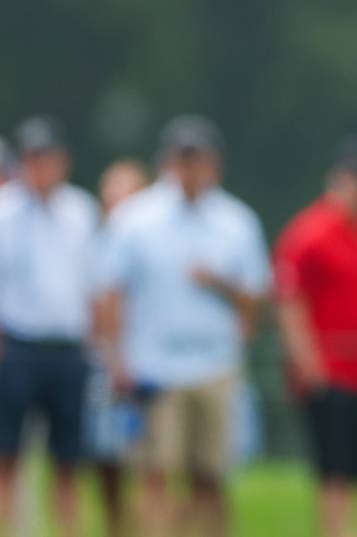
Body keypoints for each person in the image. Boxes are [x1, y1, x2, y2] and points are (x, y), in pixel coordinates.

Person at [95, 115, 271, 537]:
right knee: (155, 473)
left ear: (215, 165)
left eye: (199, 160)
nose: (191, 170)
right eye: (183, 160)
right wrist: (117, 360)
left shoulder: (237, 221)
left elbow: (256, 296)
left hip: (215, 364)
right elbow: (110, 293)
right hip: (154, 366)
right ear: (167, 163)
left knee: (210, 477)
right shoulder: (135, 219)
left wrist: (219, 285)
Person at [272, 137, 357, 537]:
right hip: (328, 371)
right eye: (352, 178)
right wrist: (309, 366)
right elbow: (289, 301)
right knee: (334, 470)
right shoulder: (309, 232)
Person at [0, 116, 100, 537]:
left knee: (68, 461)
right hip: (16, 347)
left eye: (47, 158)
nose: (40, 167)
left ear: (63, 162)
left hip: (69, 349)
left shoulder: (82, 210)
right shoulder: (4, 212)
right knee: (7, 455)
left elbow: (95, 282)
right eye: (33, 159)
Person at [87, 158, 151, 537]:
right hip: (101, 361)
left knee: (148, 456)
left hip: (146, 362)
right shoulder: (92, 243)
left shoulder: (153, 241)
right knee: (104, 453)